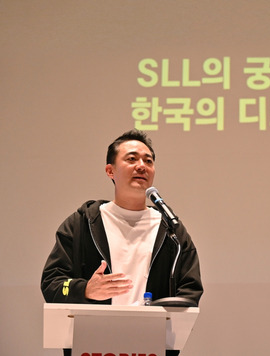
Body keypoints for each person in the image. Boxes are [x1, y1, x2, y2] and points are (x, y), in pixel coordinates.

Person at [41, 129, 203, 355]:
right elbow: (52, 283)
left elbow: (191, 290)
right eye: (131, 159)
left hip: (151, 344)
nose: (142, 166)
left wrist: (157, 313)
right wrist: (85, 289)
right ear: (110, 171)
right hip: (91, 342)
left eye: (148, 161)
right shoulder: (82, 223)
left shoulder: (170, 230)